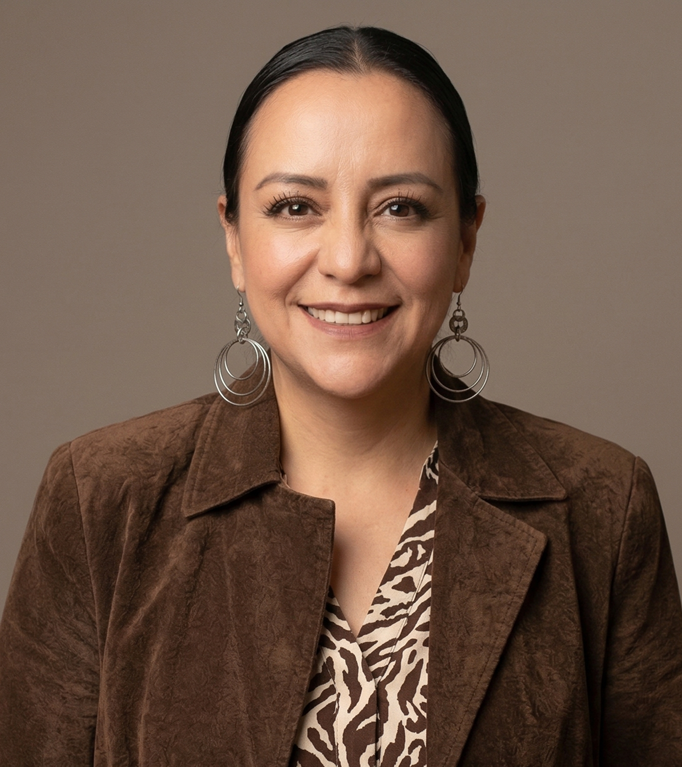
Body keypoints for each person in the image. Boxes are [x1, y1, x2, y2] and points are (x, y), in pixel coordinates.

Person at [1, 25, 681, 767]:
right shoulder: (100, 500)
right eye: (296, 206)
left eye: (401, 208)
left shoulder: (603, 507)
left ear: (465, 241)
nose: (350, 260)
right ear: (234, 238)